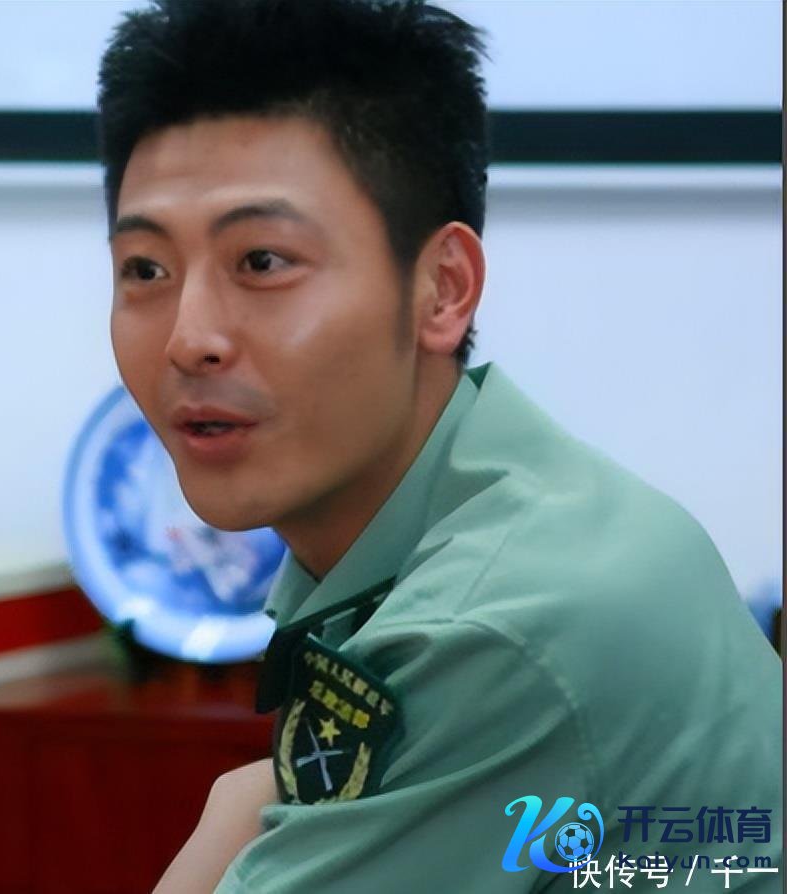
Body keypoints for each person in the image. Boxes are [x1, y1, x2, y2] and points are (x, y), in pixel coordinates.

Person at [96, 0, 783, 890]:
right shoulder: (492, 509)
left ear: (443, 289)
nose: (189, 338)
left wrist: (228, 821)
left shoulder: (496, 628)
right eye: (145, 269)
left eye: (262, 261)